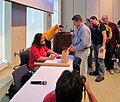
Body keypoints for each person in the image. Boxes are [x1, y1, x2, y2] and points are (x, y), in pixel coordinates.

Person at [89, 16, 107, 82]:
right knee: (96, 59)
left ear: (95, 19)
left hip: (100, 45)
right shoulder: (94, 27)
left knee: (100, 60)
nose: (91, 22)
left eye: (91, 21)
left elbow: (104, 35)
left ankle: (101, 75)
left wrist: (103, 46)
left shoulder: (101, 26)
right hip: (95, 44)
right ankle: (97, 71)